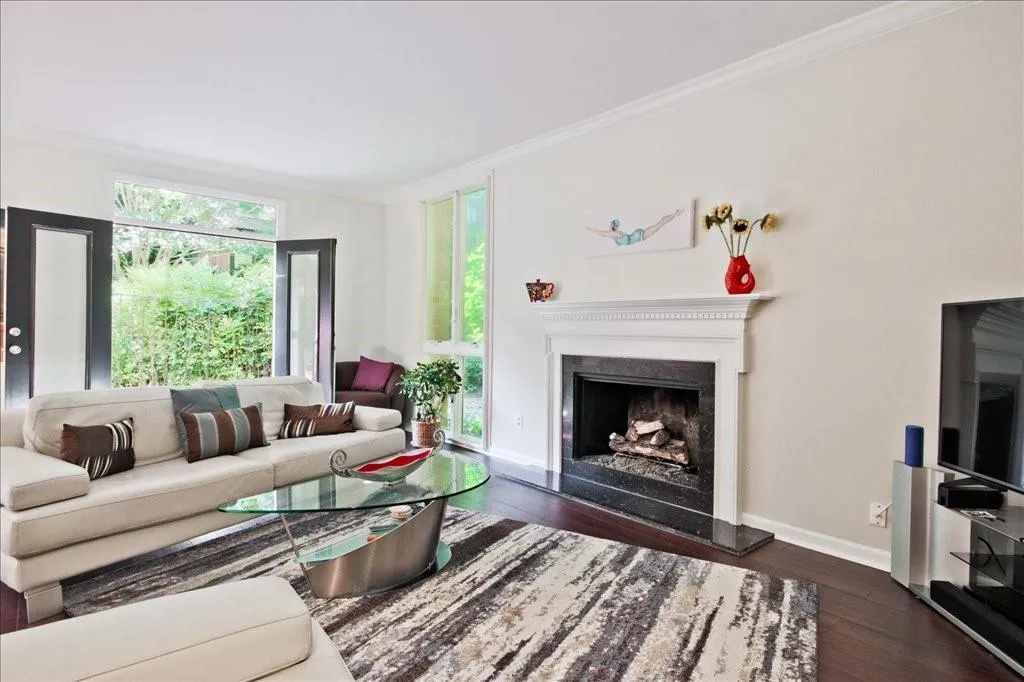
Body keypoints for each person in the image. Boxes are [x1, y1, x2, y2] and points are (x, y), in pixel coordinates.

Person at [587, 208, 684, 246]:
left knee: (657, 225)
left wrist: (592, 230)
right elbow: (604, 234)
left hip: (638, 236)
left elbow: (602, 233)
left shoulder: (615, 234)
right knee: (657, 226)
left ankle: (675, 215)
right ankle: (674, 215)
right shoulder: (614, 235)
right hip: (637, 235)